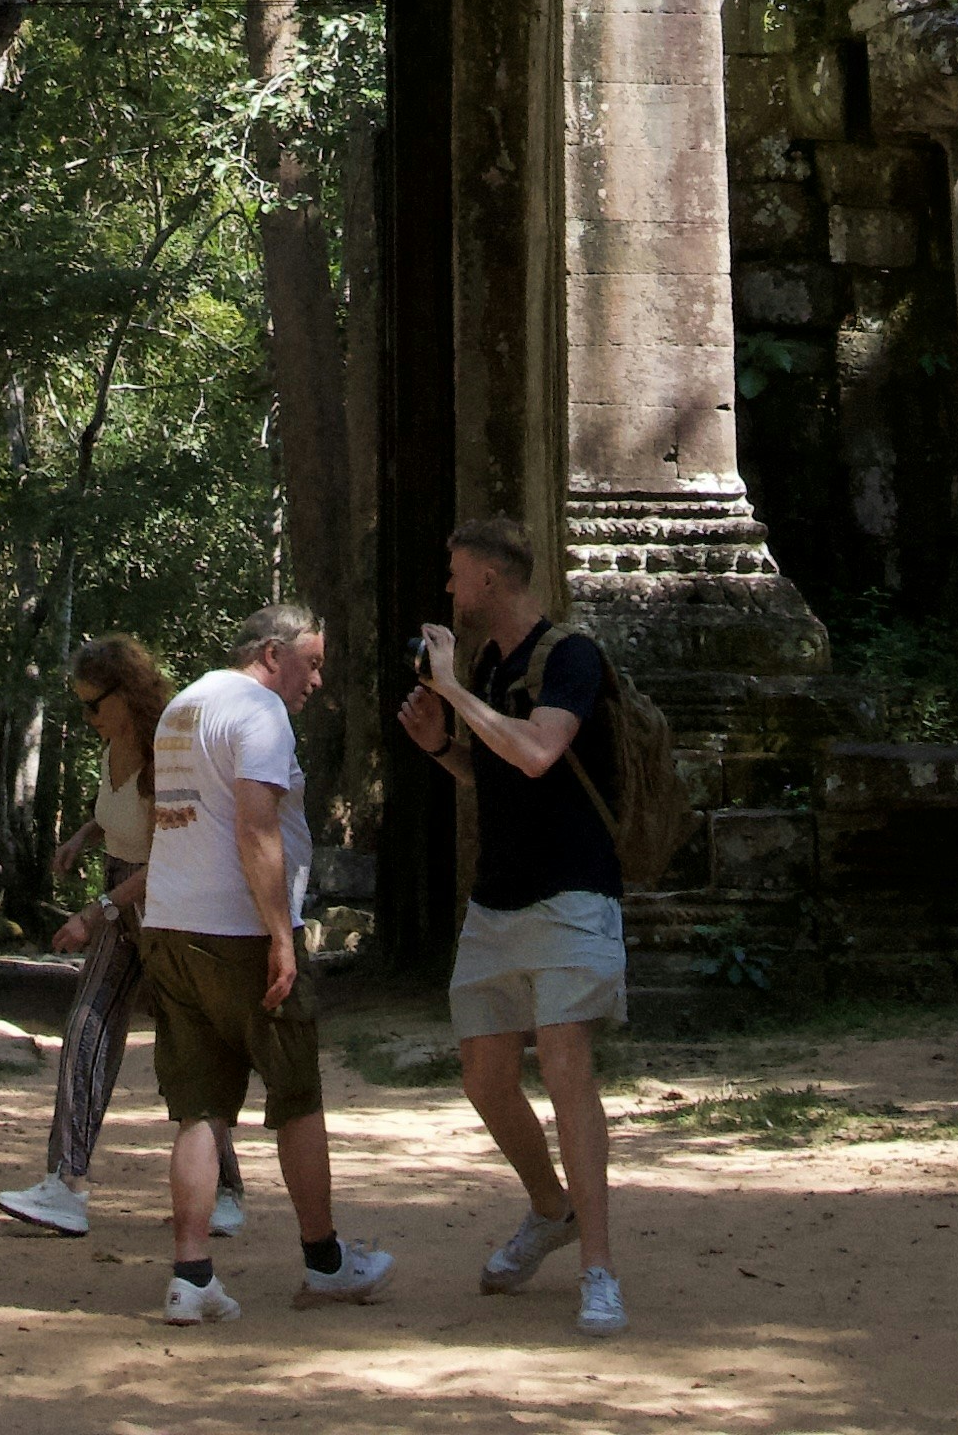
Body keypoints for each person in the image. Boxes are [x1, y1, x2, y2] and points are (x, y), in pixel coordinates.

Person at [398, 513, 632, 1338]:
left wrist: (453, 690)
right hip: (496, 900)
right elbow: (495, 772)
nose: (451, 589)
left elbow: (538, 753)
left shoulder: (568, 654)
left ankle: (599, 1270)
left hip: (571, 891)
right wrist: (441, 747)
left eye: (458, 575)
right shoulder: (492, 663)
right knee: (484, 1076)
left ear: (491, 579)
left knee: (566, 1065)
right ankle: (549, 1209)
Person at [131, 599, 394, 1325]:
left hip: (171, 924)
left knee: (199, 1107)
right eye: (310, 664)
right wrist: (281, 933)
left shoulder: (183, 705)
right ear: (272, 656)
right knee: (297, 1096)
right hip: (240, 933)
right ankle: (325, 1261)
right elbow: (255, 829)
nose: (315, 682)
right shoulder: (260, 713)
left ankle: (190, 1276)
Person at [0, 635, 240, 1241]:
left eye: (92, 704)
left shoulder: (166, 756)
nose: (86, 717)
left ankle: (225, 1190)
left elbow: (169, 857)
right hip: (117, 900)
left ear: (126, 696)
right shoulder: (111, 749)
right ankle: (66, 1185)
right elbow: (117, 815)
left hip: (160, 908)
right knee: (85, 1029)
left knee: (185, 1046)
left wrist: (96, 911)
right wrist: (84, 837)